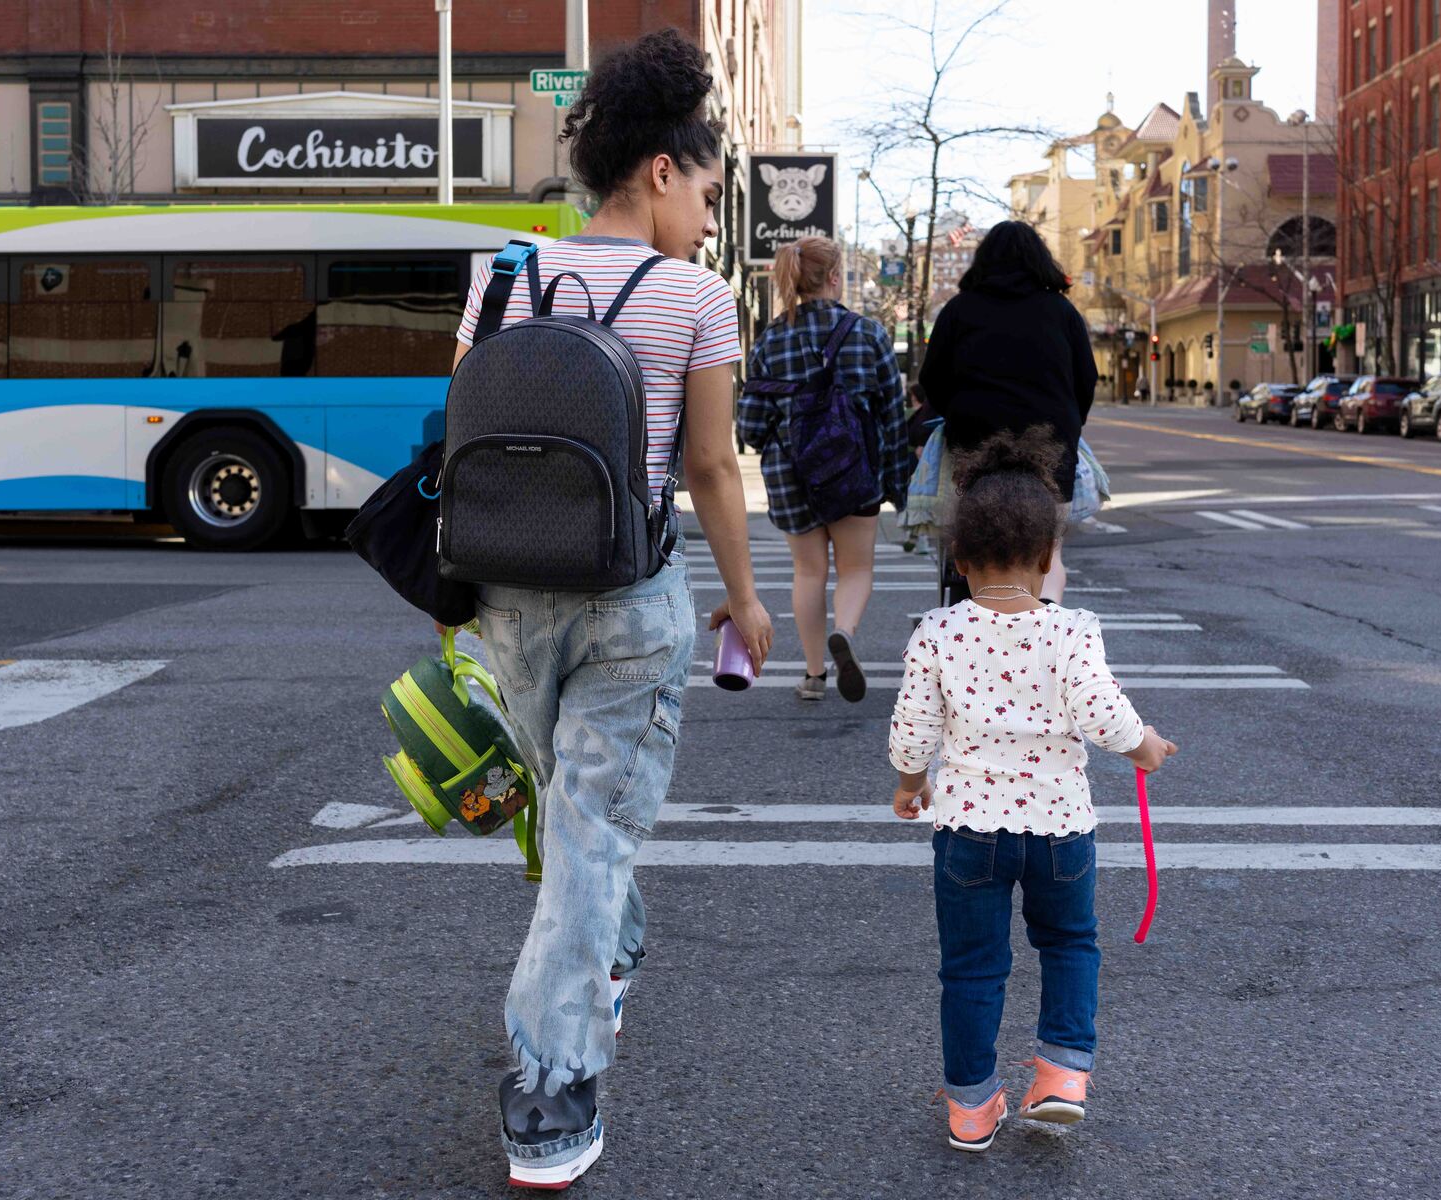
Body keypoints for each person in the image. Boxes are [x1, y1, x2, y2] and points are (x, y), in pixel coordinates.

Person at [445, 29, 773, 1190]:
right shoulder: (694, 295)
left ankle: (603, 960)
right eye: (711, 192)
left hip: (506, 595)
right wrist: (743, 599)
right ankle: (551, 1082)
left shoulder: (503, 278)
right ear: (663, 171)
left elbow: (468, 438)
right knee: (591, 832)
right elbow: (714, 467)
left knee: (573, 818)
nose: (712, 220)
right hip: (630, 594)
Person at [886, 429, 1178, 1153]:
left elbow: (912, 728)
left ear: (956, 558)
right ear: (1049, 559)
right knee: (1071, 945)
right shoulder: (1073, 630)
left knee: (972, 968)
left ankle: (973, 1107)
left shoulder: (937, 632)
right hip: (1060, 831)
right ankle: (1061, 1077)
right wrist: (1145, 745)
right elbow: (1102, 711)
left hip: (968, 832)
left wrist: (911, 781)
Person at [738, 236, 907, 703]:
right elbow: (892, 418)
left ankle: (814, 676)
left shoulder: (770, 339)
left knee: (808, 572)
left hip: (792, 477)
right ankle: (846, 633)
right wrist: (897, 483)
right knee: (855, 569)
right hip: (855, 474)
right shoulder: (869, 334)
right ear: (834, 277)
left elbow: (750, 427)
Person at [919, 220, 1097, 606]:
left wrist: (957, 417)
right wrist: (1067, 428)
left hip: (976, 447)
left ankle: (980, 635)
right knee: (1049, 551)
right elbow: (1087, 380)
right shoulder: (1062, 312)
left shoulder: (958, 310)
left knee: (980, 552)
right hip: (1050, 449)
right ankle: (1045, 627)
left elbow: (931, 377)